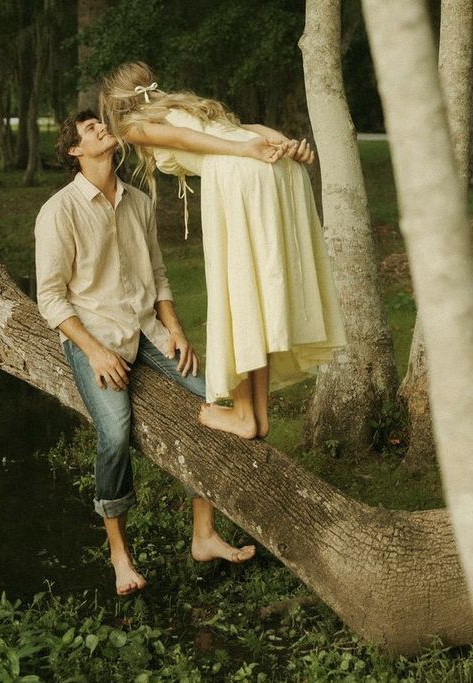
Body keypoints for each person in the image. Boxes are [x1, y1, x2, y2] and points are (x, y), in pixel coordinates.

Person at [35, 109, 255, 596]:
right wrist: (92, 351)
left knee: (218, 398)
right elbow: (50, 298)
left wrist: (175, 329)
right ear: (74, 151)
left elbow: (157, 275)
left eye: (100, 124)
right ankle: (119, 553)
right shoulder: (59, 211)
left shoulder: (139, 201)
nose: (101, 129)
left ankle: (203, 534)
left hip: (147, 329)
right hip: (96, 334)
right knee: (114, 435)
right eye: (90, 129)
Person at [99, 61, 346, 440]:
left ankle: (244, 414)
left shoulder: (135, 125)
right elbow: (251, 129)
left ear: (116, 104)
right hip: (269, 175)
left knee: (241, 298)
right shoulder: (186, 107)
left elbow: (187, 142)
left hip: (238, 177)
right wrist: (281, 143)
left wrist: (244, 150)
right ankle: (257, 416)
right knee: (258, 298)